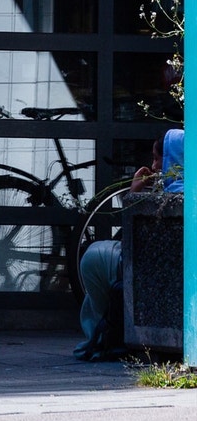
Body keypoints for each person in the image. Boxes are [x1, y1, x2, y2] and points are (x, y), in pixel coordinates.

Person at [75, 128, 184, 361]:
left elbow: (134, 242)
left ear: (174, 160)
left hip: (150, 269)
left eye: (157, 159)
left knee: (94, 256)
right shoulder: (183, 190)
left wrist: (134, 195)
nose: (154, 167)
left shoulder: (171, 196)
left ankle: (104, 336)